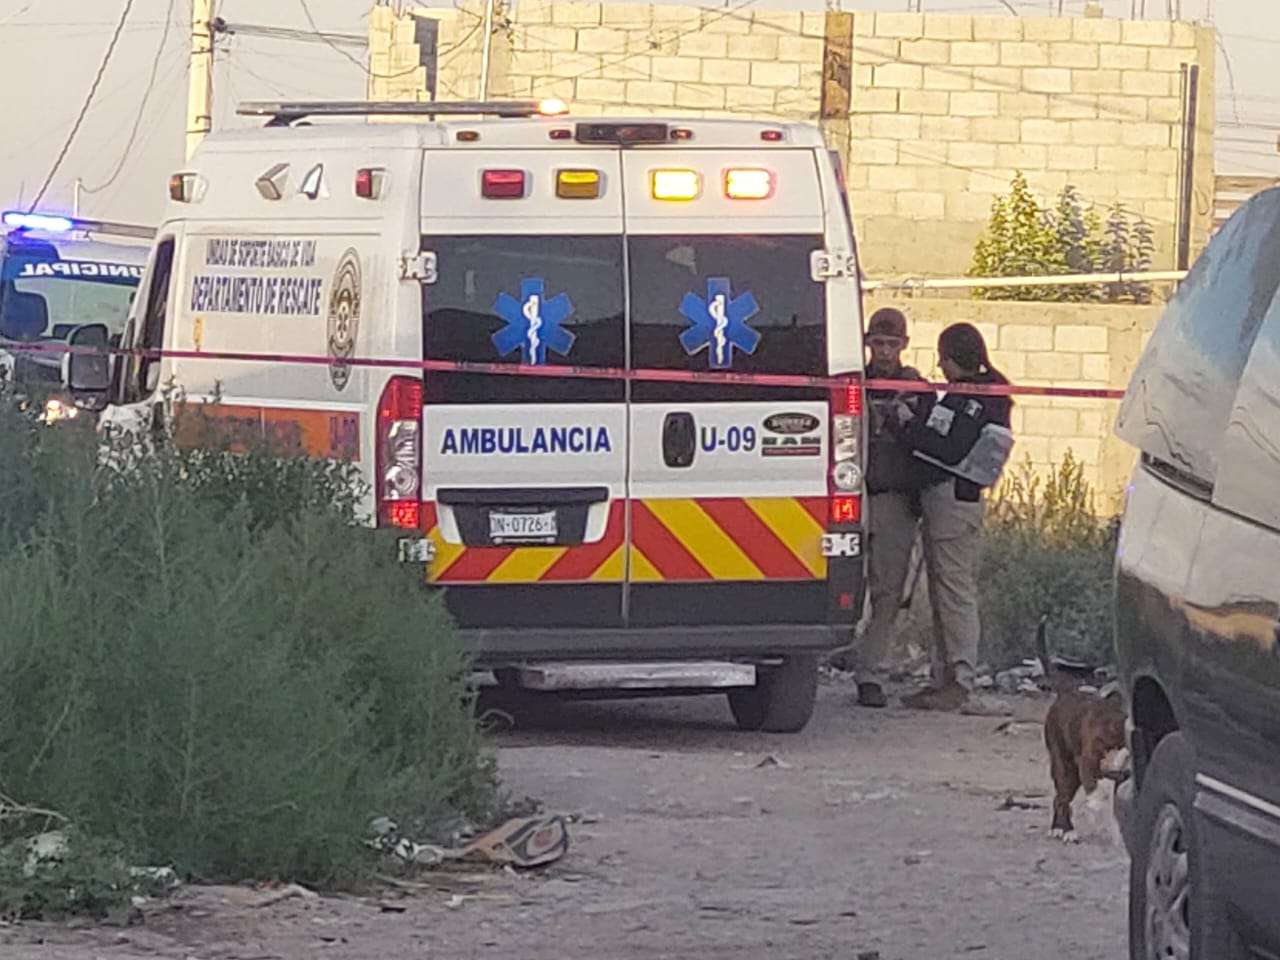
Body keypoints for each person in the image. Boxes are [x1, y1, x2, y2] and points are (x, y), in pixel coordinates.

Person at [896, 323, 1014, 712]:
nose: (941, 367)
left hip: (953, 503)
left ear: (951, 358)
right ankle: (944, 677)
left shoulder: (972, 399)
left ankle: (960, 680)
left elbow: (944, 447)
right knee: (943, 593)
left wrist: (906, 425)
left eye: (943, 359)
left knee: (954, 594)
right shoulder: (982, 394)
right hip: (948, 502)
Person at [838, 307, 933, 708]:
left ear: (905, 345)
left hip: (894, 499)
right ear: (867, 343)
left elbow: (929, 440)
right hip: (852, 494)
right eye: (878, 343)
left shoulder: (917, 388)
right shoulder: (853, 383)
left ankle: (869, 672)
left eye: (892, 344)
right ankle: (844, 653)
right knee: (842, 584)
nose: (885, 351)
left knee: (888, 592)